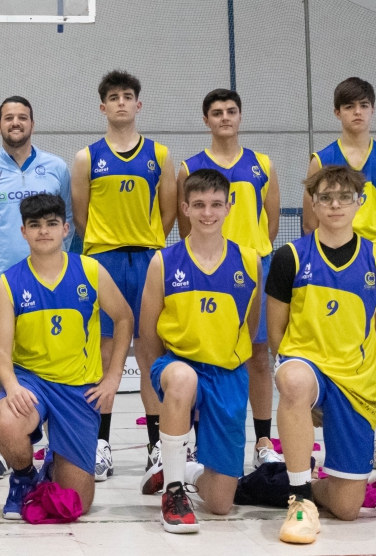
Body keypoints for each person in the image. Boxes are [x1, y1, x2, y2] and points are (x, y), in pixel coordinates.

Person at [268, 165, 376, 544]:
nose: (335, 204)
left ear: (360, 202)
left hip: (354, 379)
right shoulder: (290, 257)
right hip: (305, 365)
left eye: (345, 197)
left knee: (347, 508)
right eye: (325, 197)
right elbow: (276, 334)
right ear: (313, 203)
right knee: (294, 380)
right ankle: (299, 499)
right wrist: (301, 388)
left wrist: (351, 375)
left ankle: (296, 487)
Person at [0, 194, 132, 518]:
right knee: (8, 419)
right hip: (32, 380)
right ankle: (24, 478)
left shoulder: (90, 270)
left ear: (65, 229)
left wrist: (113, 378)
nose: (44, 231)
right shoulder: (9, 282)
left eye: (51, 224)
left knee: (77, 503)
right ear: (23, 231)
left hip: (78, 387)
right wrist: (12, 387)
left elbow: (124, 317)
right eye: (35, 225)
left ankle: (54, 464)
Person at [138, 169, 261, 532]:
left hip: (227, 375)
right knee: (182, 377)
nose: (208, 213)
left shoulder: (250, 261)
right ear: (185, 208)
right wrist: (165, 383)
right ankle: (174, 491)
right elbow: (148, 334)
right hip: (178, 364)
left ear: (229, 206)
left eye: (216, 204)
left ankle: (182, 469)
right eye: (199, 204)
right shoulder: (163, 261)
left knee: (221, 503)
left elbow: (250, 325)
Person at [71, 70, 177, 480]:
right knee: (104, 354)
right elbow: (81, 217)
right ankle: (100, 444)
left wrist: (147, 243)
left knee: (151, 353)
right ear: (103, 107)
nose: (120, 102)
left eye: (127, 96)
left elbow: (168, 212)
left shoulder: (160, 155)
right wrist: (106, 245)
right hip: (104, 262)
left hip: (148, 260)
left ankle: (156, 447)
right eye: (113, 97)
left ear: (138, 104)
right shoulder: (86, 158)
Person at [0, 96, 73, 480]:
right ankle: (1, 450)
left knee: (54, 361)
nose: (16, 122)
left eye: (22, 117)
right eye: (9, 117)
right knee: (3, 366)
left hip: (52, 284)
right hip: (0, 285)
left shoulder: (57, 168)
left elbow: (68, 220)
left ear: (32, 123)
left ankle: (57, 448)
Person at [304, 77, 376, 467]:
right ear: (337, 112)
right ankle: (323, 434)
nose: (357, 112)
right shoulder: (322, 158)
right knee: (330, 347)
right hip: (332, 263)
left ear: (373, 110)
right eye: (349, 106)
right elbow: (311, 221)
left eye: (363, 105)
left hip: (374, 260)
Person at [177, 88, 279, 469]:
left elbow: (270, 222)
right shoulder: (189, 167)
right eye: (217, 112)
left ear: (240, 116)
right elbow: (183, 223)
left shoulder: (262, 164)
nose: (225, 117)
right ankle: (196, 441)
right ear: (206, 120)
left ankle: (264, 441)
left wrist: (249, 256)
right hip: (205, 272)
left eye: (231, 111)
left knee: (258, 355)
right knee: (203, 356)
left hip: (250, 270)